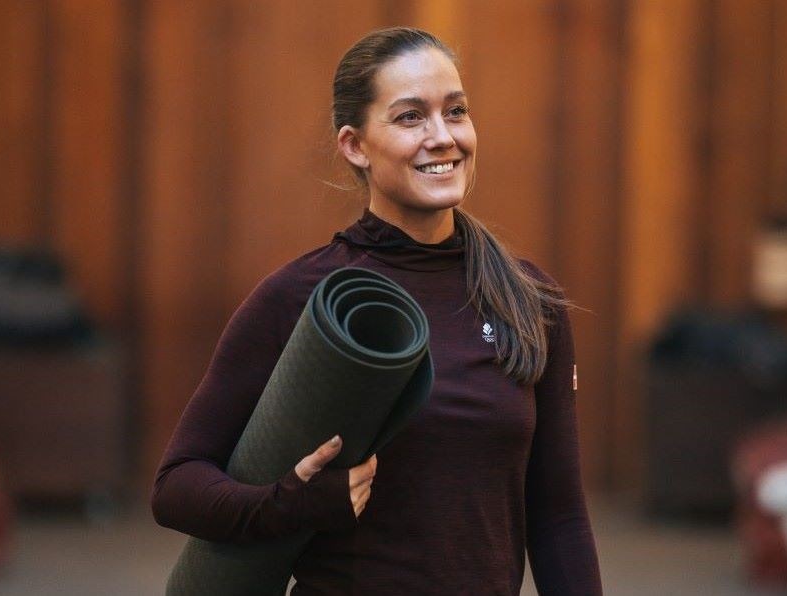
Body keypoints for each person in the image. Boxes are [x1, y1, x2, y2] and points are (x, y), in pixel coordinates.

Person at [152, 26, 602, 595]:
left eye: (456, 111)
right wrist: (288, 503)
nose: (443, 137)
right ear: (354, 145)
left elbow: (558, 516)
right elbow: (177, 486)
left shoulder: (527, 300)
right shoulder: (303, 297)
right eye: (411, 117)